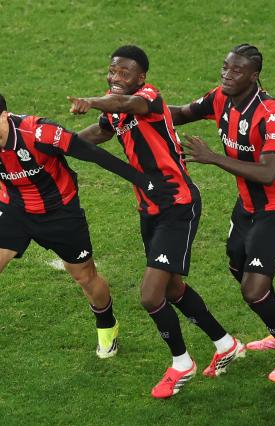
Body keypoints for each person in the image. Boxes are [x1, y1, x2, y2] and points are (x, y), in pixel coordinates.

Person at [0, 87, 177, 379]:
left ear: (3, 117)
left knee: (85, 276)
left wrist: (144, 182)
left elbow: (92, 153)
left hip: (61, 213)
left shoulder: (39, 133)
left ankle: (107, 325)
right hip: (13, 210)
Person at [68, 45, 244, 399]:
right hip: (149, 208)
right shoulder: (117, 111)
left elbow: (122, 105)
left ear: (141, 78)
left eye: (124, 73)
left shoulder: (147, 98)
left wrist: (92, 99)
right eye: (112, 71)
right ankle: (226, 344)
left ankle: (182, 363)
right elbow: (99, 132)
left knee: (151, 296)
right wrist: (57, 144)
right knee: (173, 289)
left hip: (177, 206)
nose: (116, 78)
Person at [170, 43, 275, 382]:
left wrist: (213, 157)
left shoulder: (271, 115)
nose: (227, 74)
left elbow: (268, 172)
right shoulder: (221, 98)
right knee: (237, 265)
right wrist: (136, 109)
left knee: (253, 289)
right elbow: (182, 112)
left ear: (254, 76)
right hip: (247, 205)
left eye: (236, 71)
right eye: (225, 67)